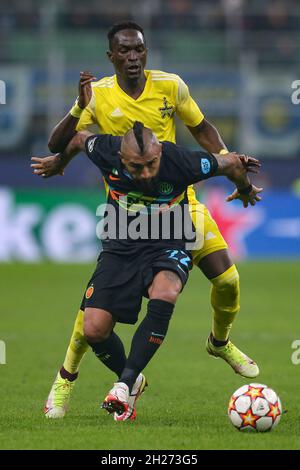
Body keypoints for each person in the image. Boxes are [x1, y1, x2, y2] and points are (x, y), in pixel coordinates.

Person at [35, 21, 263, 419]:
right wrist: (61, 160)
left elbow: (202, 128)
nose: (134, 57)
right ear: (112, 57)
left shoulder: (171, 87)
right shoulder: (99, 95)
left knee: (227, 281)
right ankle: (68, 375)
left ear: (146, 52)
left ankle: (220, 342)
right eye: (125, 51)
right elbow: (70, 139)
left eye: (139, 50)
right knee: (95, 310)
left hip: (178, 204)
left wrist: (233, 166)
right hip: (126, 214)